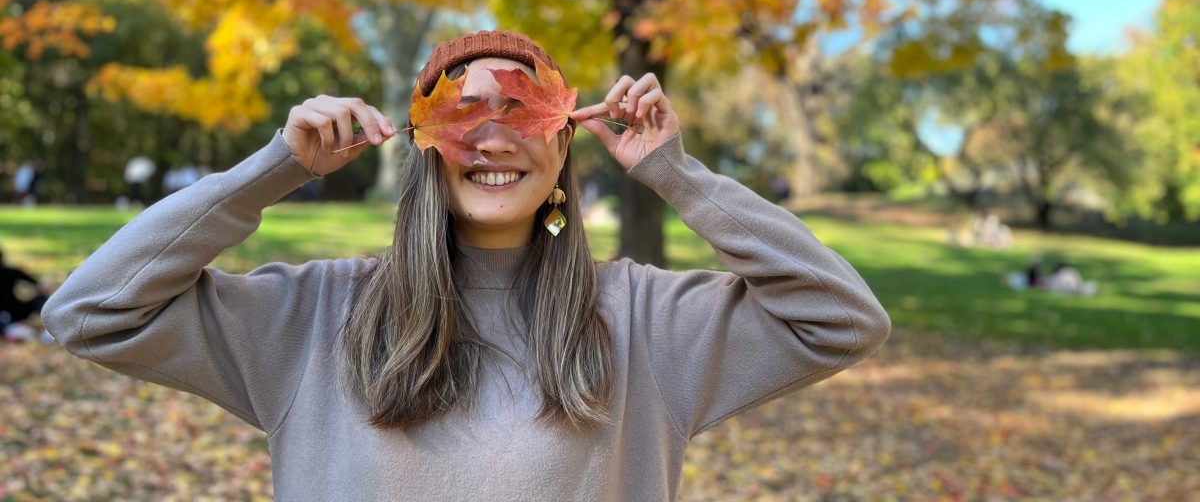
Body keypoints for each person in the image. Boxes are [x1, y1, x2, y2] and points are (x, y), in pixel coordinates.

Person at [43, 30, 891, 501]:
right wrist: (278, 165)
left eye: (524, 111)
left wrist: (676, 173)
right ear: (422, 145)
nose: (493, 136)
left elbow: (842, 318)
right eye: (464, 111)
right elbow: (90, 312)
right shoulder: (313, 316)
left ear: (566, 143)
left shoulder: (645, 321)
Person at [0, 245, 50, 333]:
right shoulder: (12, 272)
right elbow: (38, 284)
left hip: (10, 313)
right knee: (41, 299)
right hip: (16, 311)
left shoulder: (11, 272)